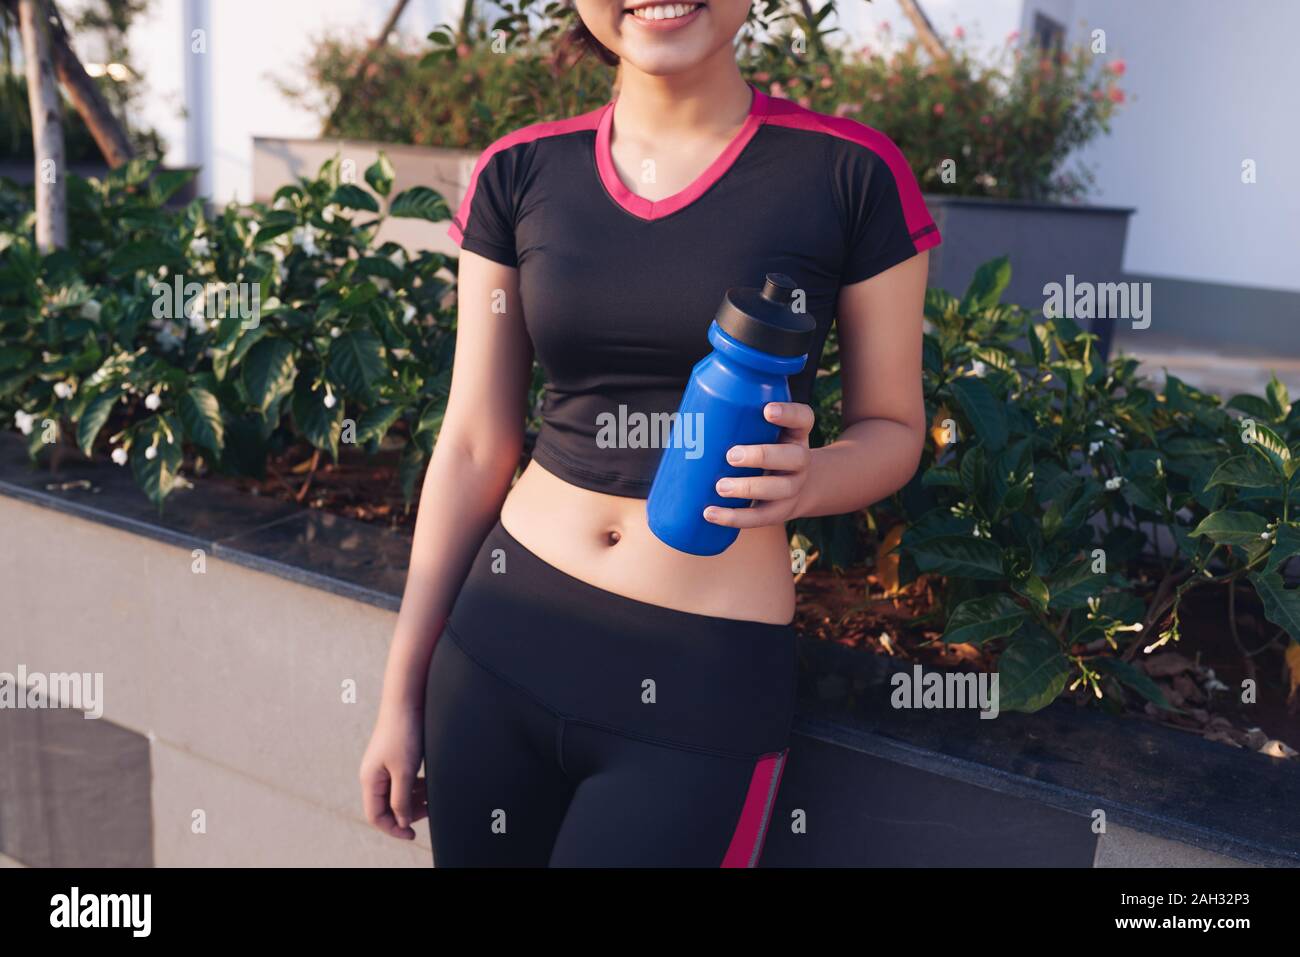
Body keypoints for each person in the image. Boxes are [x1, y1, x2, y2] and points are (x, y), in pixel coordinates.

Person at [359, 0, 940, 866]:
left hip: (700, 682)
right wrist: (399, 693)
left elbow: (894, 427)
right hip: (495, 656)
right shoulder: (518, 170)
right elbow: (475, 442)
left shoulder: (850, 172)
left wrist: (812, 480)